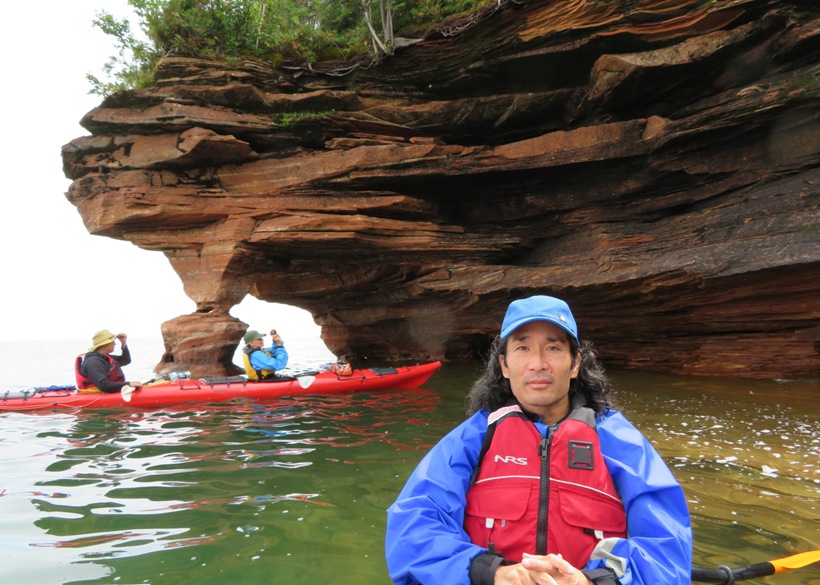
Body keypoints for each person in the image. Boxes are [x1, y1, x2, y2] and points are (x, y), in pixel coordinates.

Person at [385, 295, 692, 585]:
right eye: (522, 348)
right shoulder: (472, 440)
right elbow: (413, 527)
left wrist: (591, 580)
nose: (538, 364)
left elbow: (667, 548)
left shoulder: (619, 442)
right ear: (504, 365)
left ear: (574, 365)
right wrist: (492, 573)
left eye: (553, 348)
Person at [75, 330, 142, 396]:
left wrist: (123, 343)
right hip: (94, 395)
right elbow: (103, 385)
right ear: (105, 344)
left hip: (107, 390)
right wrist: (128, 384)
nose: (115, 344)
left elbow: (126, 360)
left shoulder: (104, 357)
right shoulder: (93, 362)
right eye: (113, 341)